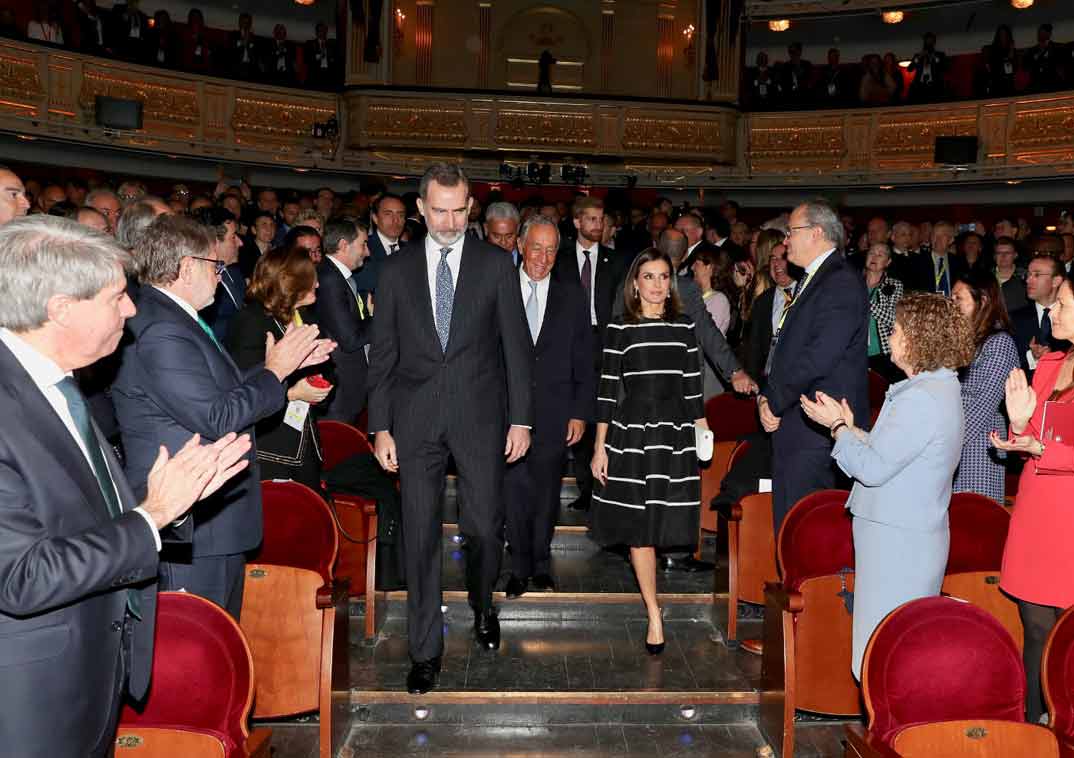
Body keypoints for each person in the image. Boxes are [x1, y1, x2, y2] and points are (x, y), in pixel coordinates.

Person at [0, 215, 251, 756]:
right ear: (61, 308)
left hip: (87, 680)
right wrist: (152, 516)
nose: (133, 310)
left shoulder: (55, 383)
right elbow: (21, 576)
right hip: (30, 703)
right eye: (117, 297)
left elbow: (82, 519)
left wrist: (173, 499)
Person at [112, 215, 335, 618]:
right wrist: (276, 372)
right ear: (186, 267)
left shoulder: (175, 318)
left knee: (220, 637)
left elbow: (216, 389)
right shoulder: (163, 329)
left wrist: (273, 366)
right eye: (215, 267)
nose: (221, 276)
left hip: (210, 521)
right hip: (195, 524)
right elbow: (217, 415)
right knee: (198, 649)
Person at [367, 163, 533, 695]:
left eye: (459, 210)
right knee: (419, 537)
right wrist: (382, 427)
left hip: (480, 418)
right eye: (439, 209)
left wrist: (522, 418)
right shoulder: (394, 271)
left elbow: (516, 350)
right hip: (414, 422)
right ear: (421, 208)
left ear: (470, 208)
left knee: (484, 528)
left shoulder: (495, 264)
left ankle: (483, 603)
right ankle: (424, 650)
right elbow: (384, 358)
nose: (449, 220)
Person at [802, 293, 974, 678]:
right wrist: (851, 430)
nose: (889, 335)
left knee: (882, 655)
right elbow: (898, 456)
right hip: (907, 536)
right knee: (896, 648)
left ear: (918, 338)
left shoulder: (922, 400)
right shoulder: (938, 390)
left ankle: (885, 736)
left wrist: (837, 428)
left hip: (897, 542)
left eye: (896, 329)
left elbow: (874, 469)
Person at [591, 248, 709, 654]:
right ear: (635, 284)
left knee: (662, 525)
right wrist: (599, 448)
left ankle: (655, 606)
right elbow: (606, 392)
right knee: (640, 530)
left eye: (663, 277)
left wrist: (703, 433)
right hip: (632, 434)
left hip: (674, 434)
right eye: (649, 277)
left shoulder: (684, 326)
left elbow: (694, 388)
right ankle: (654, 612)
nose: (657, 285)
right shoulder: (620, 327)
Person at [993, 272, 1074, 723]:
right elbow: (1026, 433)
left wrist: (1042, 447)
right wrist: (1019, 428)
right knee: (1035, 626)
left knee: (1067, 635)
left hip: (1069, 517)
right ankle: (1034, 728)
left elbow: (1051, 445)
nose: (1054, 312)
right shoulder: (1047, 365)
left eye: (1063, 305)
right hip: (1035, 508)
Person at [759, 201, 869, 530]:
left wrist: (774, 401)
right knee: (794, 526)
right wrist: (767, 395)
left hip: (815, 429)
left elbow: (819, 355)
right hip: (802, 425)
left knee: (806, 530)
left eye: (792, 232)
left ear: (816, 233)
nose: (786, 240)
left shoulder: (839, 282)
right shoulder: (818, 278)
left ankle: (810, 584)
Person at [504, 216, 592, 598]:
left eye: (551, 249)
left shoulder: (572, 295)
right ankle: (517, 567)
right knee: (513, 492)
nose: (543, 257)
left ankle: (540, 564)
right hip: (507, 416)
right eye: (536, 247)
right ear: (521, 245)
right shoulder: (500, 288)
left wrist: (579, 412)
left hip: (556, 413)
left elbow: (584, 360)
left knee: (545, 493)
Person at [227, 248, 331, 489]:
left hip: (303, 438)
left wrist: (320, 382)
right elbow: (243, 390)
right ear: (292, 283)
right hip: (269, 447)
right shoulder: (251, 321)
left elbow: (325, 371)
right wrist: (293, 394)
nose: (317, 283)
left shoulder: (302, 315)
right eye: (311, 277)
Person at [554, 195, 630, 512]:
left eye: (601, 219)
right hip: (568, 344)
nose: (598, 225)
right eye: (591, 219)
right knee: (575, 415)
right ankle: (586, 488)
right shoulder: (559, 260)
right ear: (576, 222)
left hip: (605, 342)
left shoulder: (618, 262)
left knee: (604, 415)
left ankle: (604, 488)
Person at [951, 271, 1019, 503]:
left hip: (979, 444)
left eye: (958, 299)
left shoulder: (999, 342)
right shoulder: (965, 340)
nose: (953, 305)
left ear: (983, 301)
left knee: (974, 521)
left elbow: (983, 405)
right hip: (956, 439)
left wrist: (946, 445)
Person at [314, 218, 373, 424]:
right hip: (341, 390)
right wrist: (381, 317)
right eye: (363, 244)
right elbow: (350, 339)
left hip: (350, 386)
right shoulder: (330, 279)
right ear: (343, 245)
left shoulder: (338, 276)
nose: (367, 252)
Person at [745, 236, 797, 387]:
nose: (776, 263)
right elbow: (754, 347)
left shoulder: (808, 295)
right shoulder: (763, 301)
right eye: (772, 258)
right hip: (769, 383)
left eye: (782, 258)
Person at [1011, 253, 1070, 379]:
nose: (1028, 280)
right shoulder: (1014, 318)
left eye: (1037, 275)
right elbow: (1007, 366)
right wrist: (1032, 358)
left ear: (1056, 281)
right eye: (1028, 274)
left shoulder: (1070, 319)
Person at [863, 243, 904, 381]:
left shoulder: (894, 285)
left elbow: (893, 319)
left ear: (888, 262)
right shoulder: (853, 282)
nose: (874, 256)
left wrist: (866, 301)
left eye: (880, 255)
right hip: (855, 352)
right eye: (871, 253)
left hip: (883, 353)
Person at [353, 193, 406, 295]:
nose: (395, 220)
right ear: (375, 218)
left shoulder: (412, 251)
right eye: (388, 214)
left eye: (401, 215)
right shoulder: (363, 249)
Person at [995, 236, 1028, 312]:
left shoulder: (1026, 276)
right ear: (994, 256)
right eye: (999, 253)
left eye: (1007, 253)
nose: (1003, 256)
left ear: (1015, 255)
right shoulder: (986, 276)